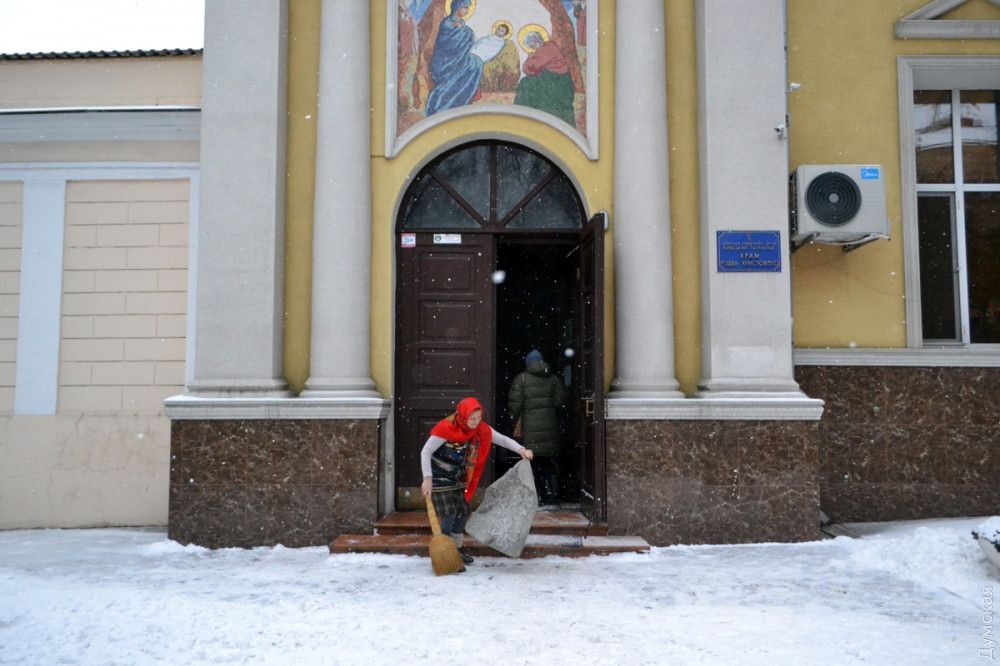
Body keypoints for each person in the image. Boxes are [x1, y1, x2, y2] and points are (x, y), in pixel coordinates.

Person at [420, 396, 533, 564]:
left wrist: (521, 450)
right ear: (463, 416)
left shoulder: (480, 429)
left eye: (479, 417)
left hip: (458, 478)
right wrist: (427, 478)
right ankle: (444, 552)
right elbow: (426, 452)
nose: (476, 421)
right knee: (449, 513)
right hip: (439, 477)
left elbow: (501, 439)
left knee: (463, 512)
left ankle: (456, 550)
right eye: (472, 418)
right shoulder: (446, 428)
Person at [508, 349, 567, 504]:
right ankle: (548, 490)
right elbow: (560, 403)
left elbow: (515, 405)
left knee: (531, 460)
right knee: (547, 459)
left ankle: (536, 492)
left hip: (529, 428)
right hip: (550, 427)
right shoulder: (553, 379)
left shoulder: (521, 379)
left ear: (528, 363)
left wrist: (512, 422)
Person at [424, 0, 484, 116]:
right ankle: (444, 104)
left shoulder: (463, 25)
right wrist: (465, 33)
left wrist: (467, 33)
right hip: (445, 61)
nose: (467, 11)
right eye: (465, 7)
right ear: (457, 7)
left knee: (477, 62)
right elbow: (449, 44)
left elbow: (467, 38)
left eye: (468, 8)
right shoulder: (447, 23)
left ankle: (463, 97)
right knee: (471, 64)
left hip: (459, 58)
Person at [513, 31, 576, 128]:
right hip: (555, 80)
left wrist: (529, 58)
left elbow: (531, 67)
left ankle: (521, 114)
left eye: (532, 45)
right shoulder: (547, 48)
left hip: (558, 82)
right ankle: (522, 114)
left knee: (526, 83)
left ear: (536, 41)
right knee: (528, 82)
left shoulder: (547, 48)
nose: (532, 48)